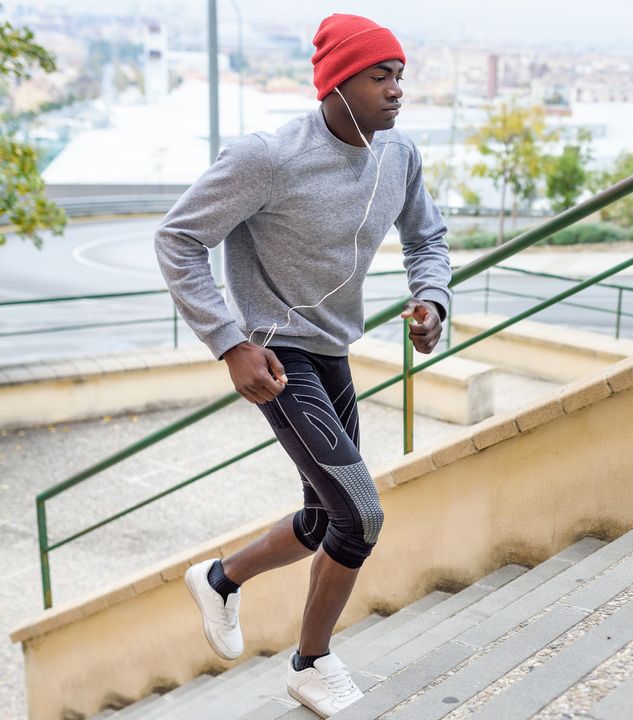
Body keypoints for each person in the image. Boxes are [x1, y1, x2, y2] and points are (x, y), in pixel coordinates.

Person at [153, 13, 450, 718]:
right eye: (380, 75)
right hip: (277, 355)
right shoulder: (269, 157)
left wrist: (431, 298)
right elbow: (178, 240)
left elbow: (428, 237)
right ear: (337, 83)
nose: (396, 89)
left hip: (333, 350)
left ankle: (221, 579)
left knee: (324, 519)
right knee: (361, 514)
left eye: (400, 74)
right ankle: (312, 663)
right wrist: (230, 342)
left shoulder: (398, 156)